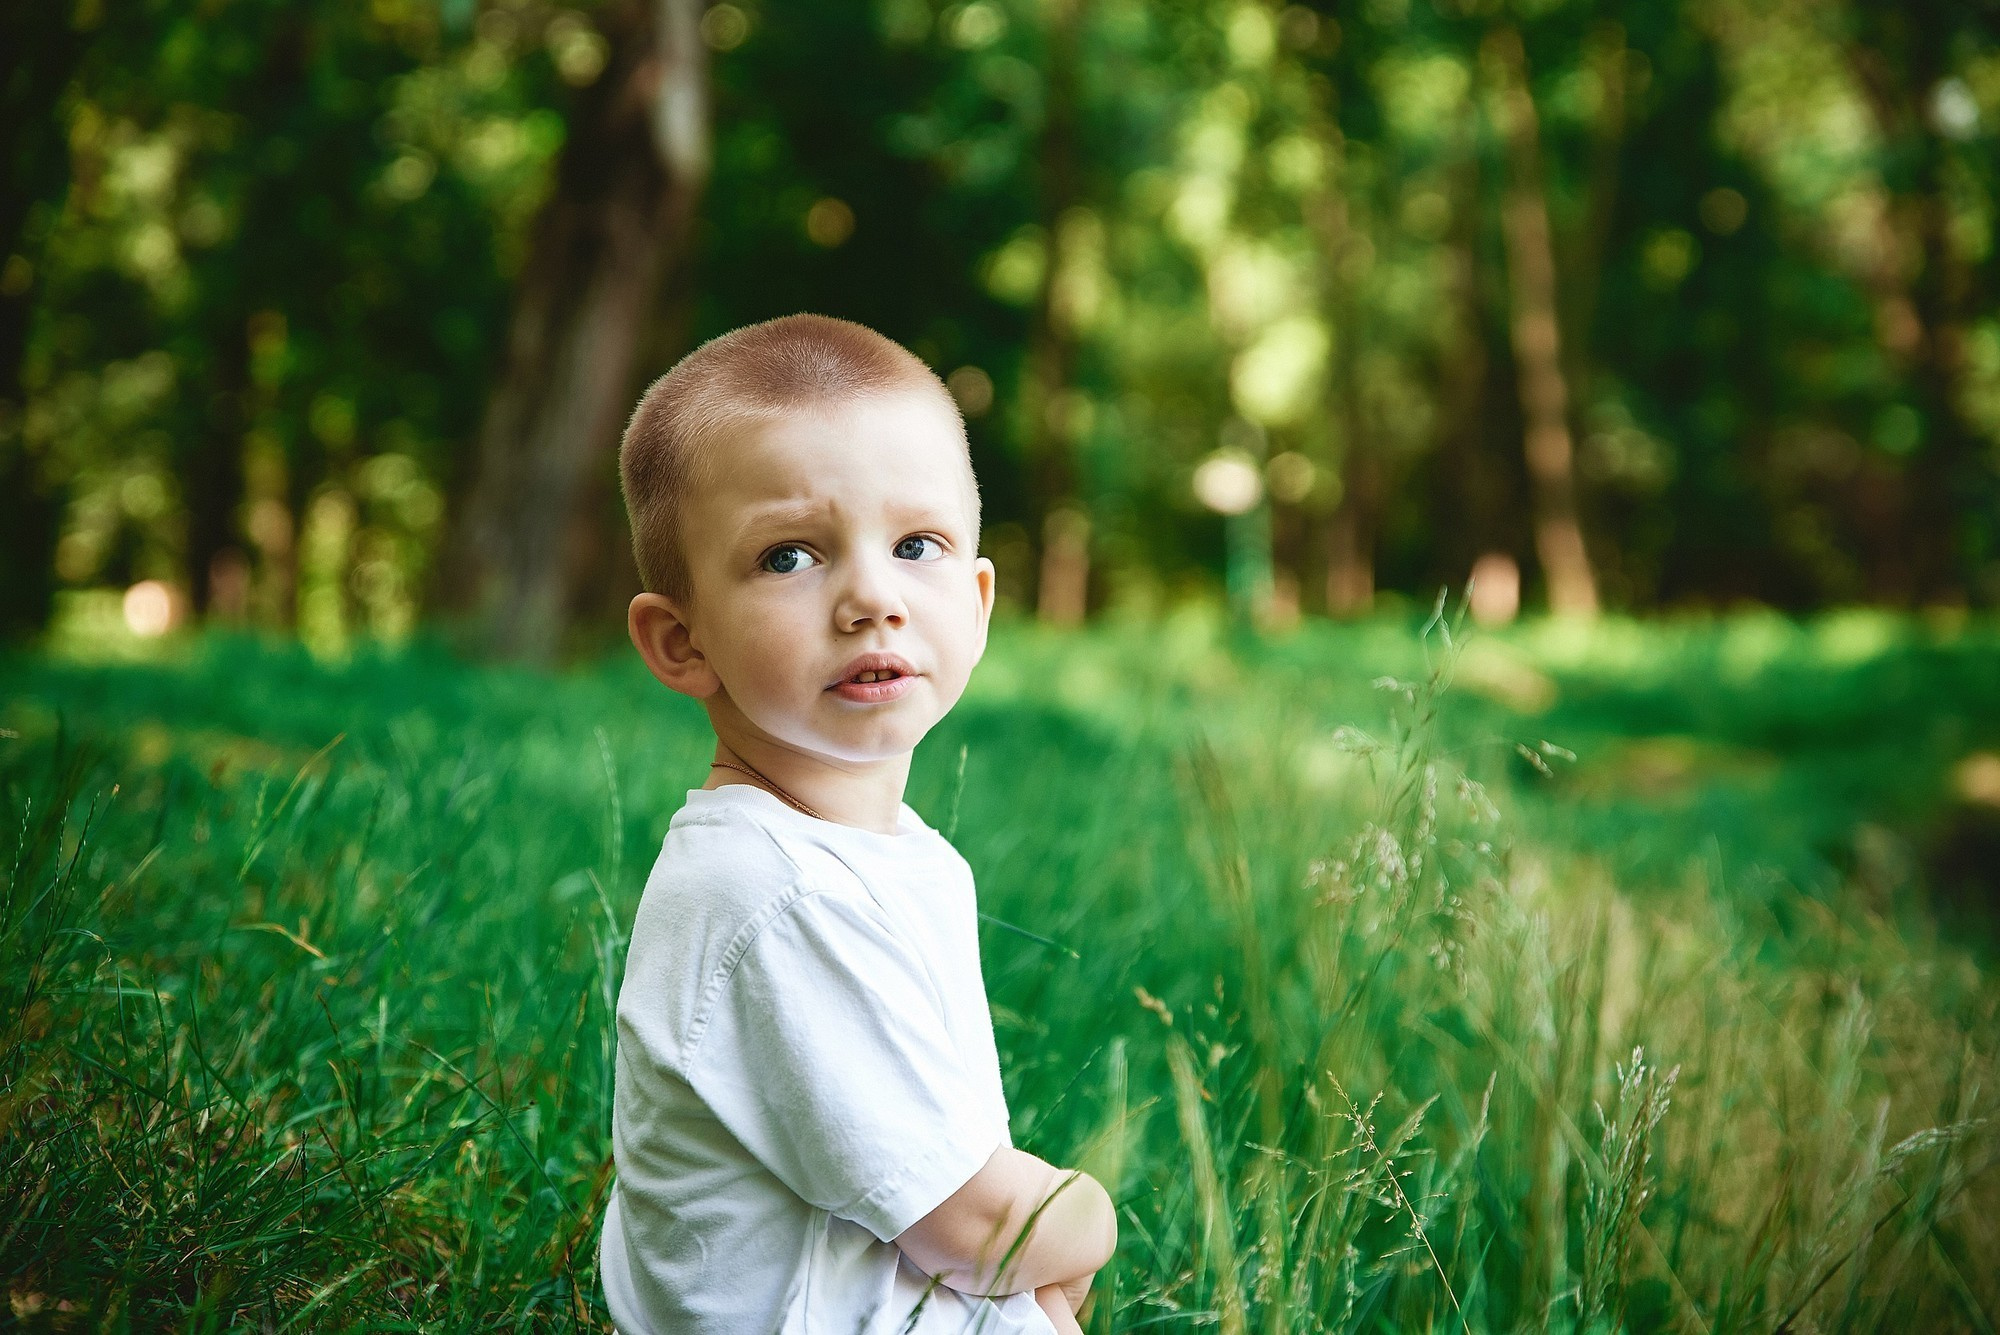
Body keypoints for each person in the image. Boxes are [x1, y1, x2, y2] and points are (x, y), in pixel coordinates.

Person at [601, 313, 1116, 1334]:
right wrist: (1087, 1215)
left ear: (977, 602)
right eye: (790, 556)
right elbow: (978, 1224)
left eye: (916, 545)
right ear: (680, 640)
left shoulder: (891, 857)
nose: (872, 597)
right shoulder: (774, 892)